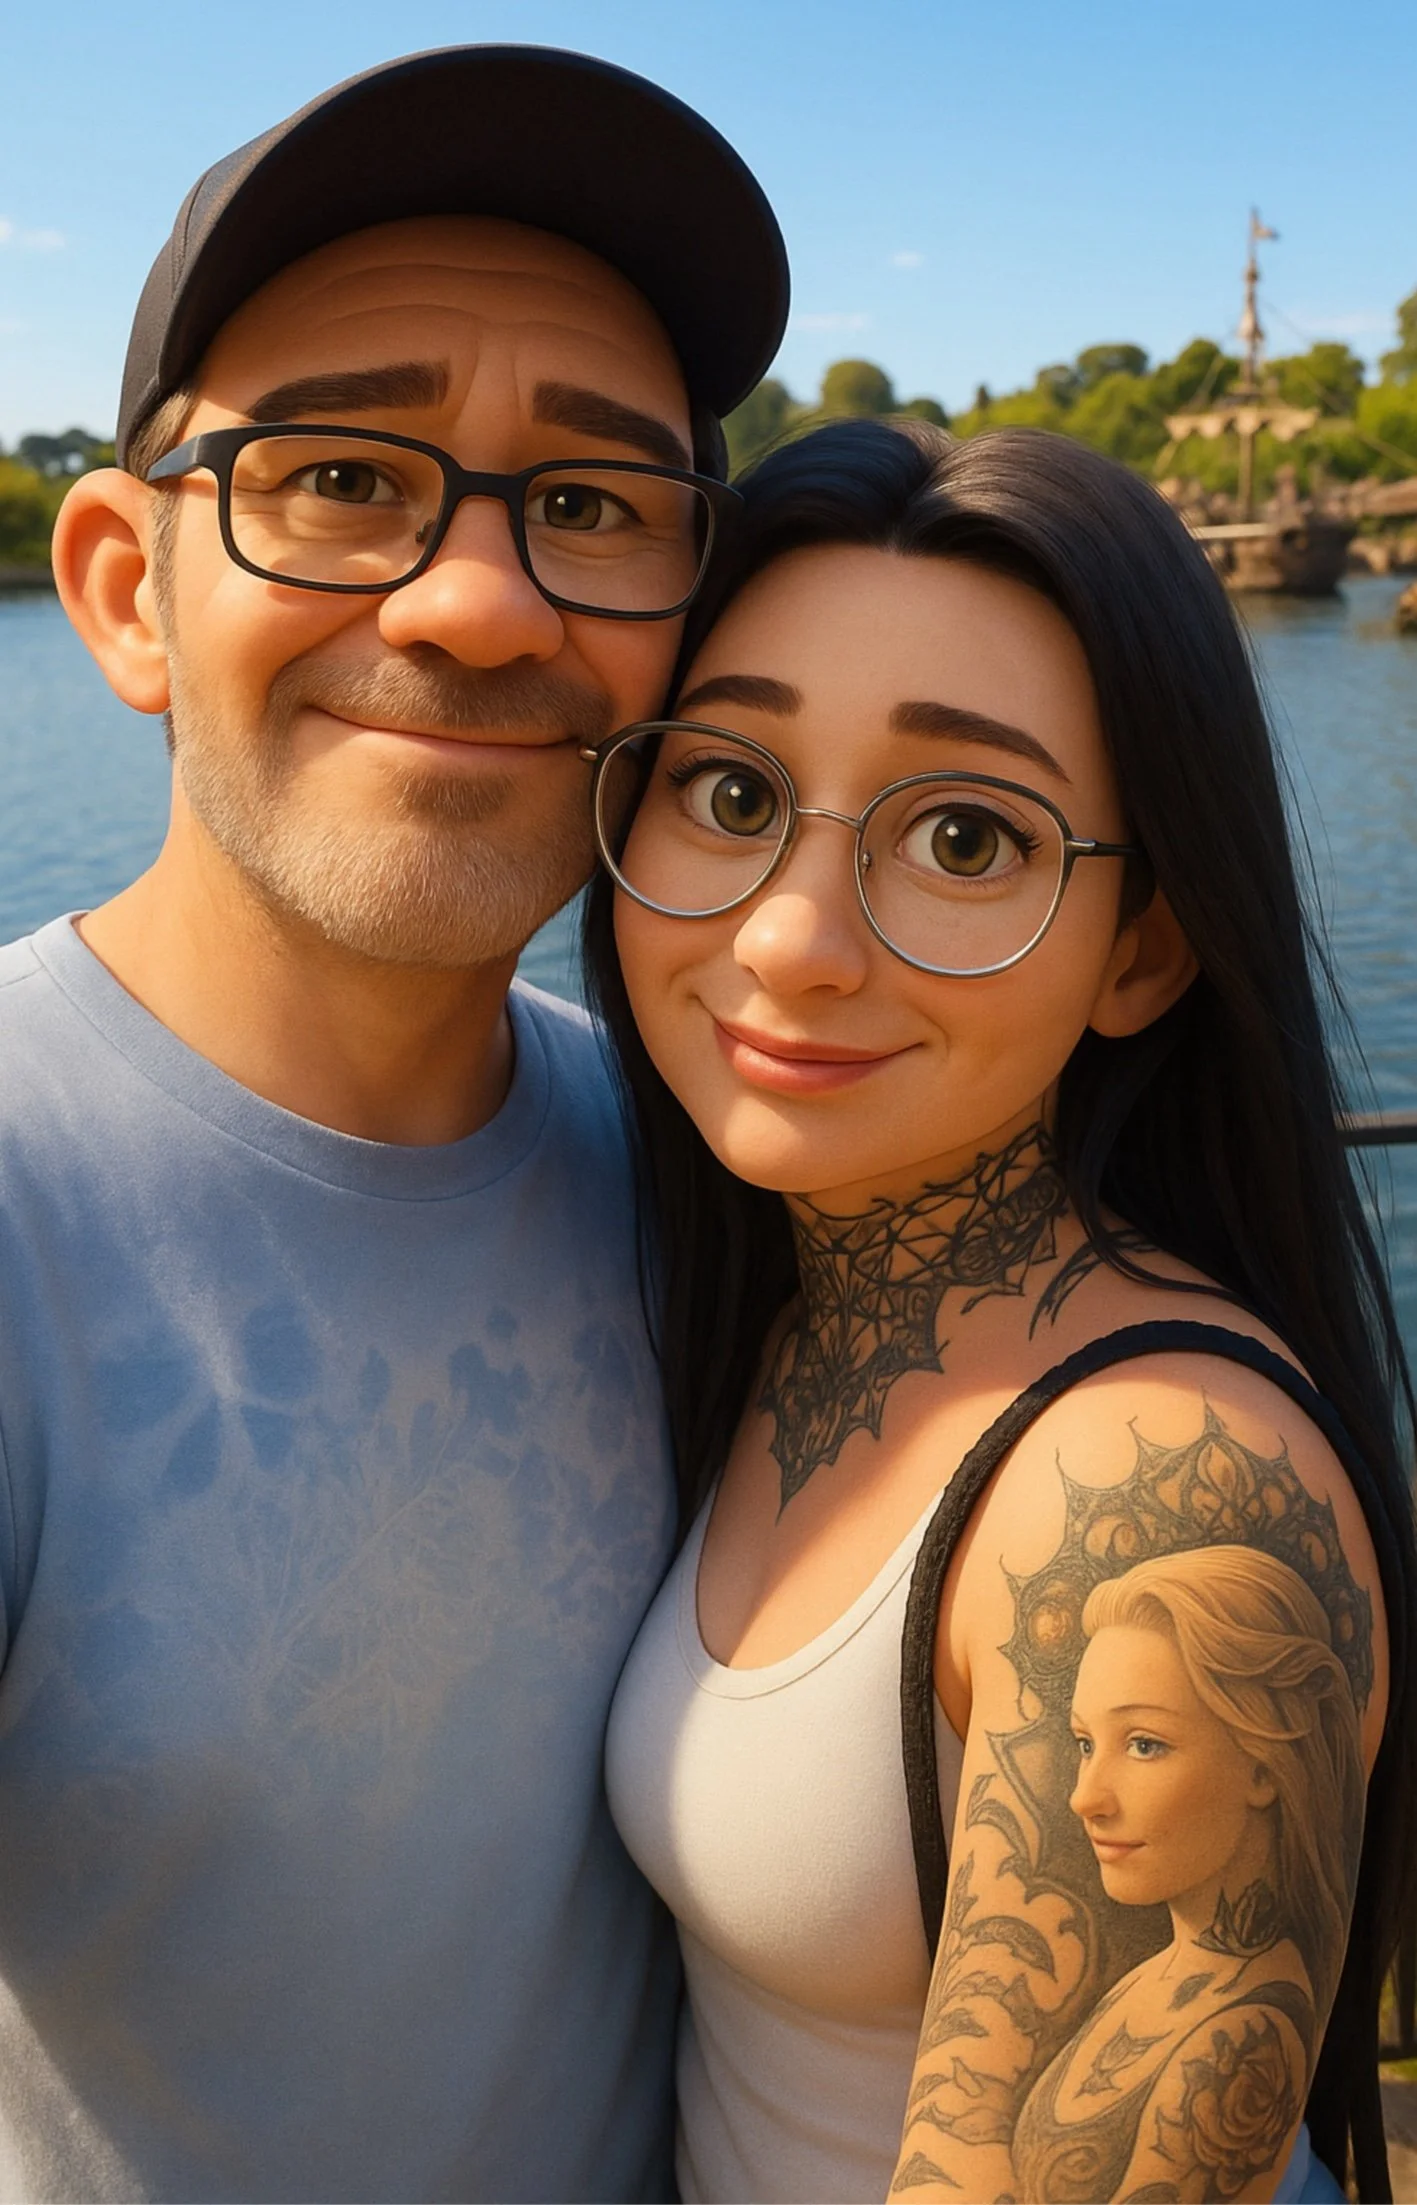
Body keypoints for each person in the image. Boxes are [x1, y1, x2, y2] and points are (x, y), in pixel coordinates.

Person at [2, 45, 787, 2204]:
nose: (478, 601)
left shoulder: (713, 1167)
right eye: (343, 477)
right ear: (127, 589)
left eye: (595, 506)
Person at [589, 417, 1417, 2203]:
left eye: (963, 836)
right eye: (729, 794)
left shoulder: (1154, 1490)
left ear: (1143, 949)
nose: (794, 938)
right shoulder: (780, 1297)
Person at [1010, 1545, 1365, 2200]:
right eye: (1085, 1743)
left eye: (1144, 1744)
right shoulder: (1165, 1975)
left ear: (1262, 1765)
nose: (1084, 1797)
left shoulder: (1245, 2037)